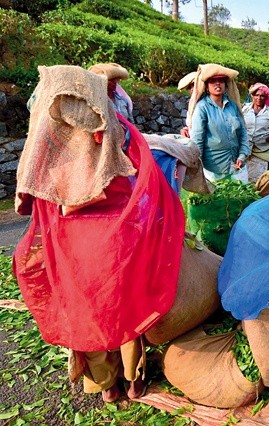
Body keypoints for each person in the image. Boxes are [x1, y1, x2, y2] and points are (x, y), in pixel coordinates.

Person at [14, 65, 185, 403]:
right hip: (115, 239)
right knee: (124, 303)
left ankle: (106, 384)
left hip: (73, 245)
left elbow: (35, 197)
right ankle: (132, 378)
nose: (113, 92)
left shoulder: (50, 143)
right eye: (110, 87)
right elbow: (143, 179)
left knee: (85, 310)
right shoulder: (116, 132)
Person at [188, 64, 250, 181]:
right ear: (206, 87)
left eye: (221, 81)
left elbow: (243, 133)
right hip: (213, 170)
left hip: (236, 166)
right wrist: (197, 166)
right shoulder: (202, 108)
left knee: (242, 198)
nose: (217, 84)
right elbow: (197, 140)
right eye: (213, 81)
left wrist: (242, 155)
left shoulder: (232, 106)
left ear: (226, 85)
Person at [242, 83, 269, 184]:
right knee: (244, 177)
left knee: (260, 179)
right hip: (246, 148)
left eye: (262, 96)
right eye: (257, 95)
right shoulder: (244, 110)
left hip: (262, 150)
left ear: (265, 97)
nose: (259, 98)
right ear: (252, 96)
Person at [178, 70, 198, 138]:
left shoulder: (206, 104)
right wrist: (186, 129)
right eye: (189, 87)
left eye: (194, 85)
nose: (192, 89)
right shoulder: (192, 103)